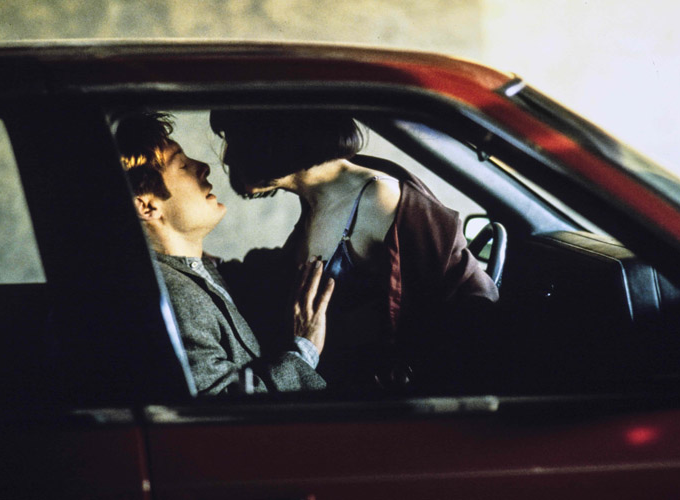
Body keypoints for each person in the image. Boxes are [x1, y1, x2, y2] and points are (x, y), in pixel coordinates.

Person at [210, 110, 499, 389]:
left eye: (234, 138)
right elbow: (280, 276)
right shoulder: (316, 196)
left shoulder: (381, 200)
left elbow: (471, 308)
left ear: (272, 134)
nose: (227, 157)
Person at [114, 111, 334, 396]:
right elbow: (222, 405)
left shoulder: (190, 270)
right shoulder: (171, 297)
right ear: (146, 207)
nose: (203, 167)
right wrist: (304, 350)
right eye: (182, 165)